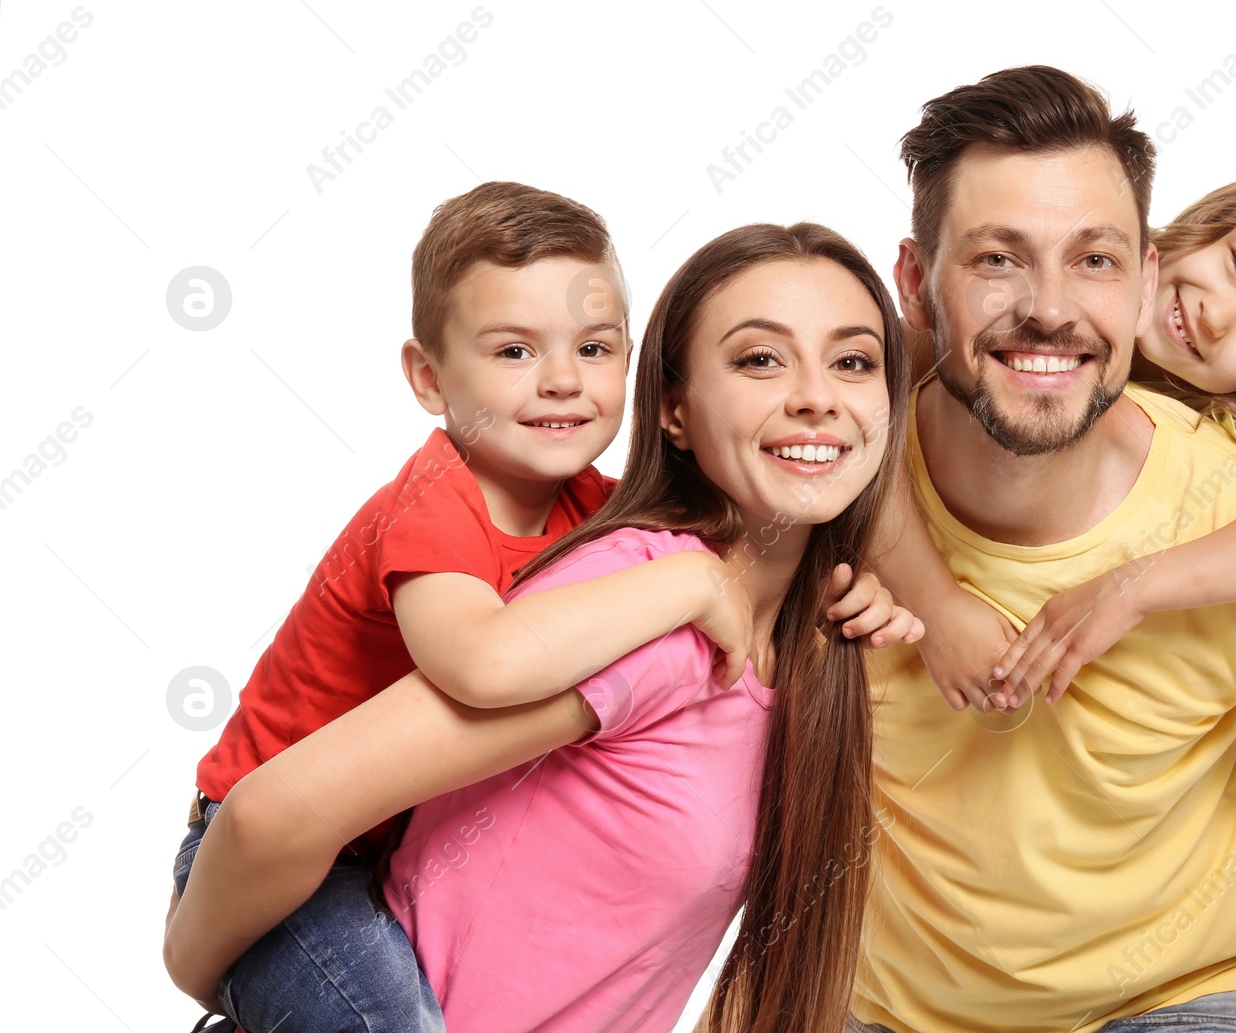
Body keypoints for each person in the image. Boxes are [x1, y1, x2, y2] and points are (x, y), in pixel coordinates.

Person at [164, 221, 918, 1033]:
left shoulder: (788, 629)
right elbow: (271, 812)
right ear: (672, 407)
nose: (817, 395)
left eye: (853, 361)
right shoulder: (645, 601)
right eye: (760, 358)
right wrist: (200, 967)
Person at [848, 65, 1236, 1033]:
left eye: (1093, 260)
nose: (1051, 308)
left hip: (1172, 993)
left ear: (1137, 271)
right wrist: (934, 601)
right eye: (996, 259)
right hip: (886, 1002)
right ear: (916, 283)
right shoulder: (846, 425)